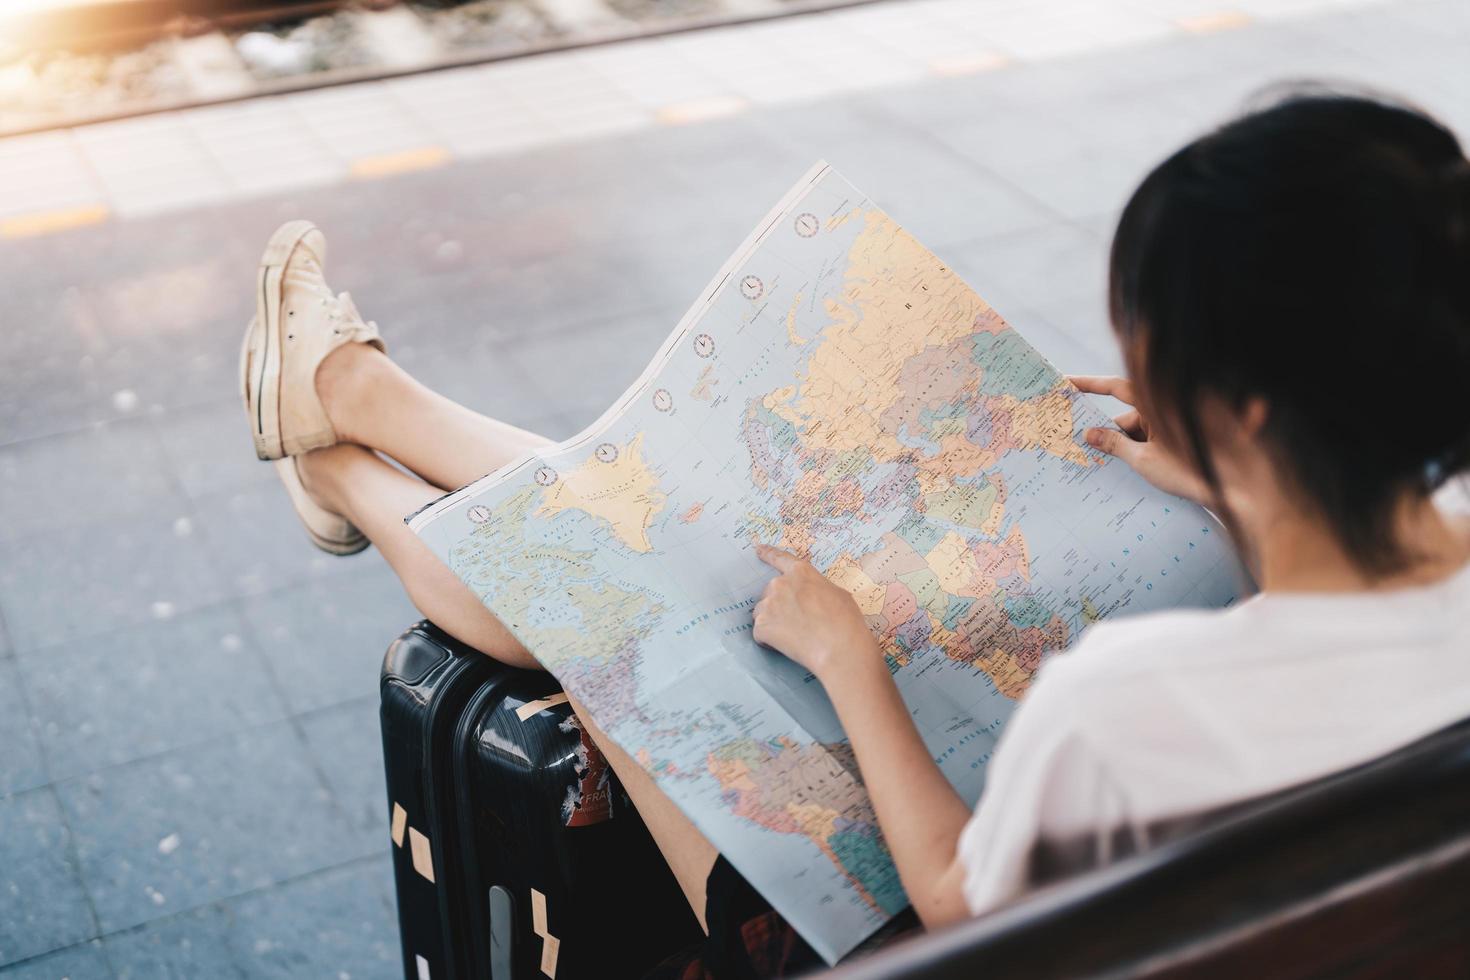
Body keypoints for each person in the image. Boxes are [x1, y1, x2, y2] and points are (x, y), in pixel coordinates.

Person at [237, 88, 1470, 976]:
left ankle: (346, 446)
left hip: (890, 946)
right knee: (686, 547)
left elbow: (954, 904)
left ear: (1243, 409)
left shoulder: (1126, 711)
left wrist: (850, 663)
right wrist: (1238, 483)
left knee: (636, 609)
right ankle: (351, 414)